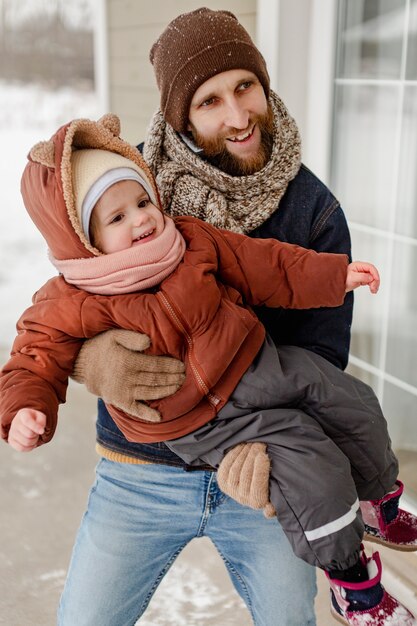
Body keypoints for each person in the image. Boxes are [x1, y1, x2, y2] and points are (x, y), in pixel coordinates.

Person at [2, 113, 417, 626]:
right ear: (83, 241)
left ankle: (379, 500)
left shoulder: (196, 238)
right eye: (116, 218)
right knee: (310, 461)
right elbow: (35, 353)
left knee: (350, 398)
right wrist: (27, 405)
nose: (141, 219)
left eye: (142, 202)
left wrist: (334, 276)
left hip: (260, 364)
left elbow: (267, 264)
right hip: (196, 426)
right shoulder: (73, 296)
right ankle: (354, 585)